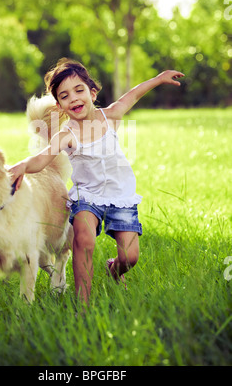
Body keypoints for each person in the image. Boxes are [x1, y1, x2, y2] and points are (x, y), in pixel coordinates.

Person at [10, 58, 184, 305]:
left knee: (129, 257)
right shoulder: (65, 135)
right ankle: (83, 307)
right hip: (86, 197)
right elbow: (42, 158)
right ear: (60, 105)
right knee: (83, 238)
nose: (74, 98)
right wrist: (23, 166)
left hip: (120, 196)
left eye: (79, 90)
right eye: (65, 96)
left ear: (92, 93)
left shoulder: (110, 116)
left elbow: (132, 95)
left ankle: (114, 269)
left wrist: (158, 79)